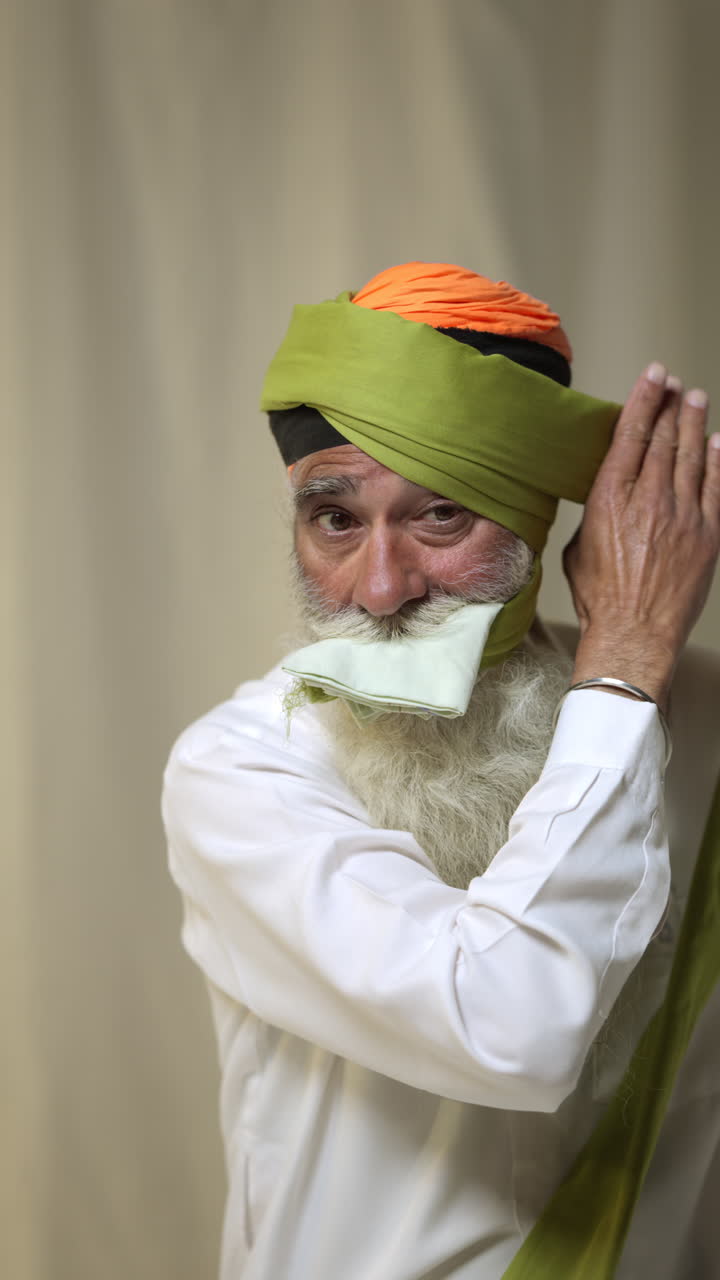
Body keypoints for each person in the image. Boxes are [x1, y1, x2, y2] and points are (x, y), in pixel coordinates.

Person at [161, 263, 720, 1279]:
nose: (380, 588)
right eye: (336, 519)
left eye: (441, 516)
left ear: (534, 526)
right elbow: (509, 1025)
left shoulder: (701, 719)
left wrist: (627, 675)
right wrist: (627, 667)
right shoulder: (240, 768)